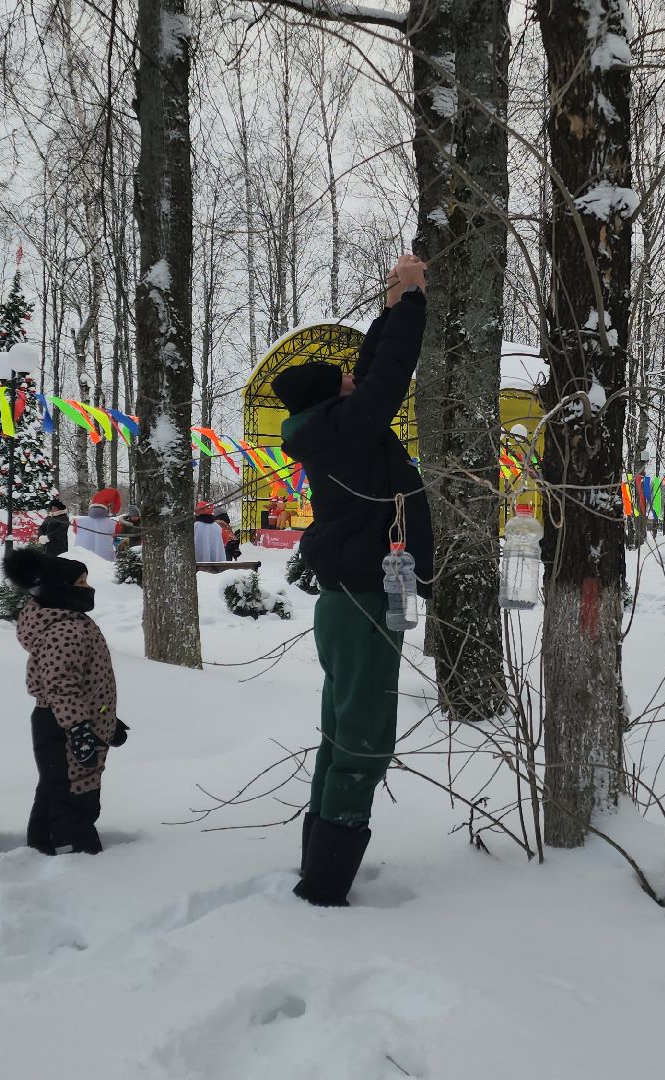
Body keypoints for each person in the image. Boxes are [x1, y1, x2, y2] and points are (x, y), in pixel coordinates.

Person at [273, 253, 432, 907]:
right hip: (364, 603)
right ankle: (326, 887)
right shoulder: (345, 431)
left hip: (351, 603)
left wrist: (393, 306)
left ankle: (319, 863)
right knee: (364, 737)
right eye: (338, 379)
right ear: (328, 399)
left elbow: (370, 373)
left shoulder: (332, 431)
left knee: (341, 734)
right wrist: (415, 305)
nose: (350, 379)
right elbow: (386, 379)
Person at [3, 548, 127, 855]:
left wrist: (107, 721)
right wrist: (79, 730)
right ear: (60, 588)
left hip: (66, 721)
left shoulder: (69, 622)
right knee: (75, 792)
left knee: (55, 788)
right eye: (80, 583)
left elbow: (85, 684)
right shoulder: (65, 630)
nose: (87, 589)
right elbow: (61, 687)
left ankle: (39, 848)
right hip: (63, 725)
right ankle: (75, 856)